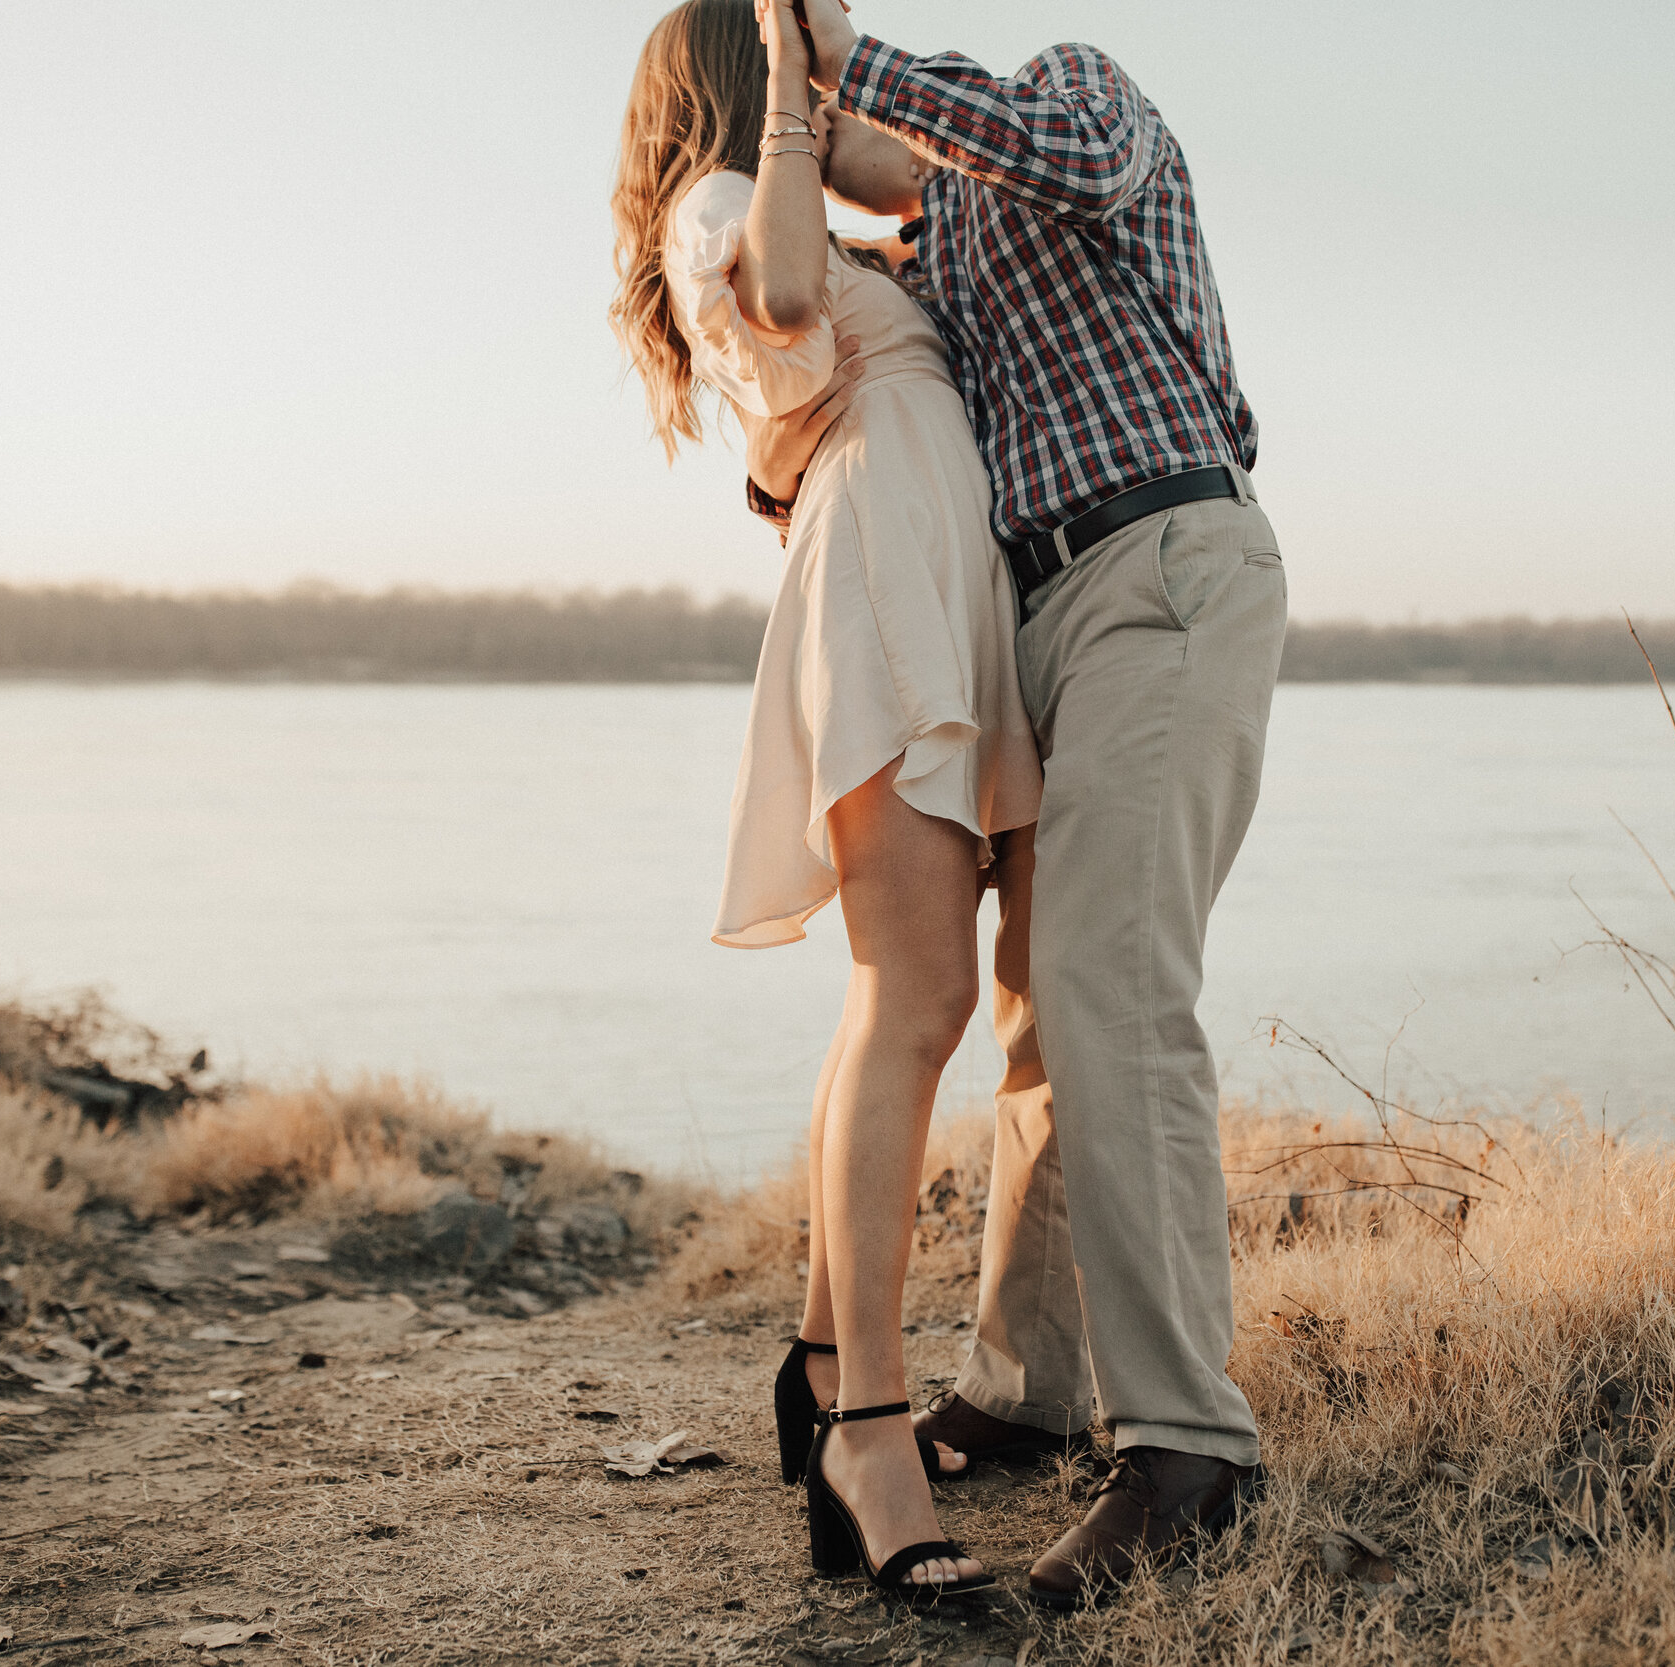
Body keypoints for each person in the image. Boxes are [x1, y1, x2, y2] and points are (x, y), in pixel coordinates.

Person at [743, 2, 1287, 1609]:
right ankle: (1026, 1384)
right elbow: (846, 376)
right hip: (1042, 620)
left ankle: (1189, 1445)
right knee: (1046, 1009)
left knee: (1116, 994)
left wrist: (827, 50)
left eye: (865, 121)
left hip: (1165, 568)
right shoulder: (943, 261)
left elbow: (1031, 142)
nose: (846, 137)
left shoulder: (1072, 104)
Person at [610, 0, 1044, 1599]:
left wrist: (851, 102)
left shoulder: (777, 189)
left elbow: (917, 194)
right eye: (792, 55)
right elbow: (792, 294)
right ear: (742, 76)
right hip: (883, 569)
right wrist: (796, 84)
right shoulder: (720, 205)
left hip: (928, 559)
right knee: (914, 999)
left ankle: (816, 1360)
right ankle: (866, 1425)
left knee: (900, 1007)